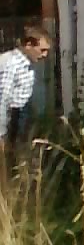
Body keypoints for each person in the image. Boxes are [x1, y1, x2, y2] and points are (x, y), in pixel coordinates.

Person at [1, 26, 49, 161]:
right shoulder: (12, 64)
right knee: (8, 160)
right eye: (42, 50)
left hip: (20, 115)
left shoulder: (25, 63)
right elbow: (2, 99)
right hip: (11, 117)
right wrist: (2, 133)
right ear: (28, 45)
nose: (45, 55)